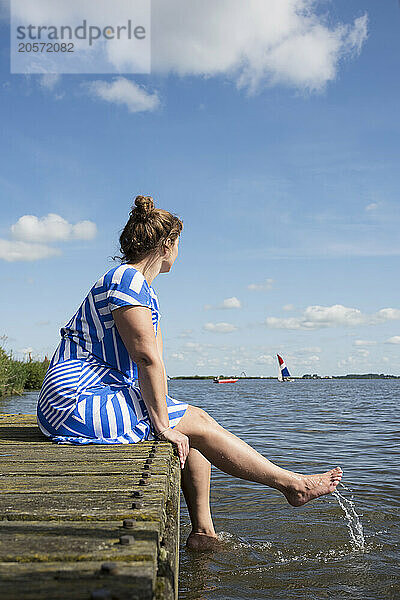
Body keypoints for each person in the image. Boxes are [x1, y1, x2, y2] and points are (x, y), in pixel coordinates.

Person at [37, 195, 343, 551]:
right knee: (191, 420)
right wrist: (163, 425)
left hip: (96, 393)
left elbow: (154, 363)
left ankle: (203, 532)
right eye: (178, 243)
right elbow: (146, 358)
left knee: (194, 426)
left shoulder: (144, 291)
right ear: (168, 244)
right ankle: (292, 486)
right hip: (76, 401)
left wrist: (167, 417)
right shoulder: (125, 279)